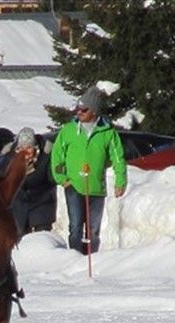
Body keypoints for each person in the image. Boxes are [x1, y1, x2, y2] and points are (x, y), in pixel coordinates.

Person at [50, 85, 127, 254]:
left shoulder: (107, 132)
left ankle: (92, 257)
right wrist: (62, 179)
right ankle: (76, 259)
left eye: (83, 110)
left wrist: (120, 181)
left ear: (94, 111)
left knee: (93, 230)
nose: (79, 112)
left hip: (96, 188)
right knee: (75, 227)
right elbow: (57, 157)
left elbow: (118, 158)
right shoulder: (68, 131)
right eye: (77, 109)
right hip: (74, 186)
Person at [0, 127, 57, 237]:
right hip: (17, 204)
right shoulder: (8, 158)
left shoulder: (46, 156)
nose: (25, 152)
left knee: (41, 237)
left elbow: (53, 177)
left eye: (29, 148)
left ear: (35, 148)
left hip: (42, 202)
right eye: (21, 148)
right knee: (19, 236)